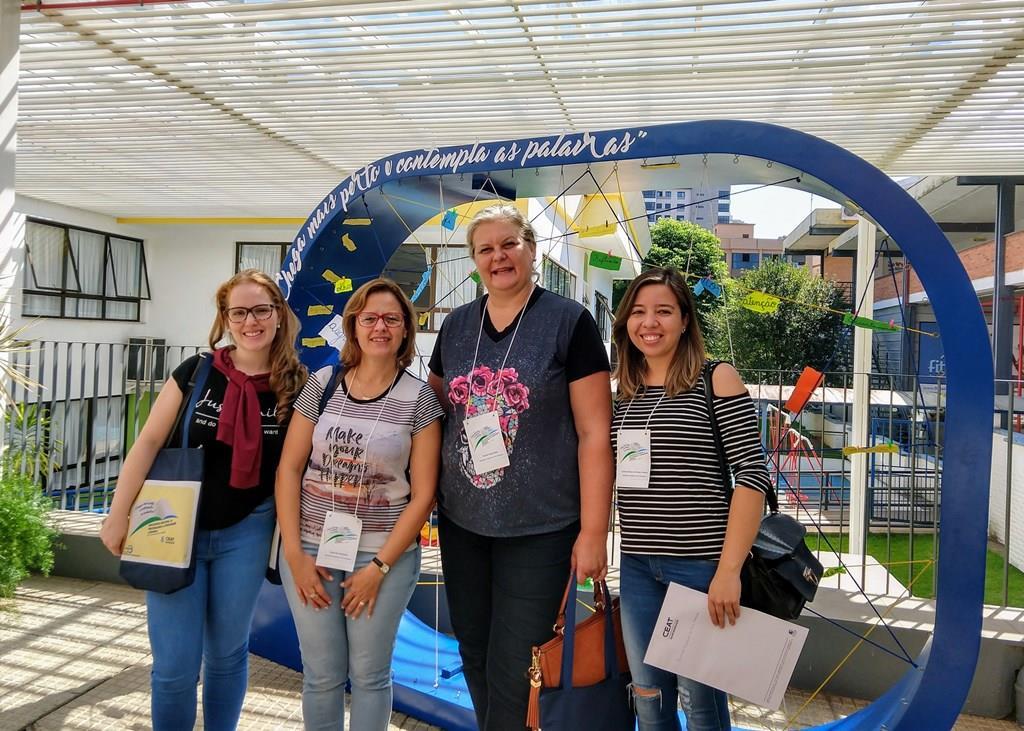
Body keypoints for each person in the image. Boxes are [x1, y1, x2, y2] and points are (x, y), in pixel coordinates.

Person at [427, 203, 614, 730]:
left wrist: (595, 531)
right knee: (474, 651)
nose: (498, 256)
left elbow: (595, 432)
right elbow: (436, 414)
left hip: (542, 527)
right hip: (463, 523)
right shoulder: (457, 326)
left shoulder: (569, 322)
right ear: (474, 262)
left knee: (518, 663)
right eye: (485, 249)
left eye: (508, 244)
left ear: (531, 249)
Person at [100, 269, 306, 730]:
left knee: (228, 654)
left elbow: (297, 468)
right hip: (172, 528)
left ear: (278, 315)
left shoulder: (298, 384)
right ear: (225, 318)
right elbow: (149, 442)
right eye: (239, 312)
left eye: (261, 310)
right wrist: (117, 514)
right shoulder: (195, 373)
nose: (250, 321)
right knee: (174, 666)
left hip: (248, 530)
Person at [276, 277, 443, 731]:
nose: (380, 327)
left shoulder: (420, 398)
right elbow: (290, 469)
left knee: (369, 676)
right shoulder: (322, 384)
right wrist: (294, 555)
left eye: (392, 318)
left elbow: (424, 493)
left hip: (382, 556)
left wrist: (379, 569)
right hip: (310, 551)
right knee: (322, 675)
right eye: (369, 318)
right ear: (353, 326)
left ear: (406, 329)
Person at [610, 266, 771, 731]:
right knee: (649, 700)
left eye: (663, 311)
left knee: (702, 707)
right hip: (638, 564)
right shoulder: (623, 391)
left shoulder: (715, 378)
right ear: (625, 324)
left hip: (701, 567)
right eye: (638, 312)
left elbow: (752, 475)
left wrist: (728, 571)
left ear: (685, 319)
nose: (650, 322)